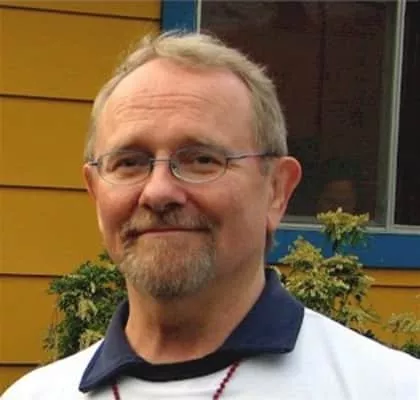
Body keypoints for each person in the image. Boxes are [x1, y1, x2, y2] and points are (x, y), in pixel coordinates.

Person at [3, 31, 419, 400]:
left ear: (276, 190)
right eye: (129, 162)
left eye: (201, 159)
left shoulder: (390, 389)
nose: (159, 192)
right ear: (95, 191)